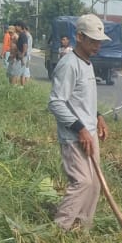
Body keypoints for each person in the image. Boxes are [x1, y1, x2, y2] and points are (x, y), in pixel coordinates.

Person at [46, 14, 110, 231]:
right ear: (79, 37)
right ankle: (59, 229)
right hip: (74, 136)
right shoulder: (69, 64)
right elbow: (56, 103)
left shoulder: (87, 63)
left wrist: (98, 116)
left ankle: (80, 230)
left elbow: (82, 99)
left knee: (94, 185)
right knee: (82, 182)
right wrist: (80, 129)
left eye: (99, 41)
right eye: (93, 41)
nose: (97, 46)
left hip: (89, 132)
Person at [7, 22, 32, 87]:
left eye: (16, 26)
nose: (15, 27)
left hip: (21, 56)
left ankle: (13, 87)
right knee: (17, 73)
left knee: (15, 73)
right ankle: (17, 86)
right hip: (20, 56)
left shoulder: (23, 35)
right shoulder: (21, 35)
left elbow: (25, 45)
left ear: (20, 27)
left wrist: (22, 55)